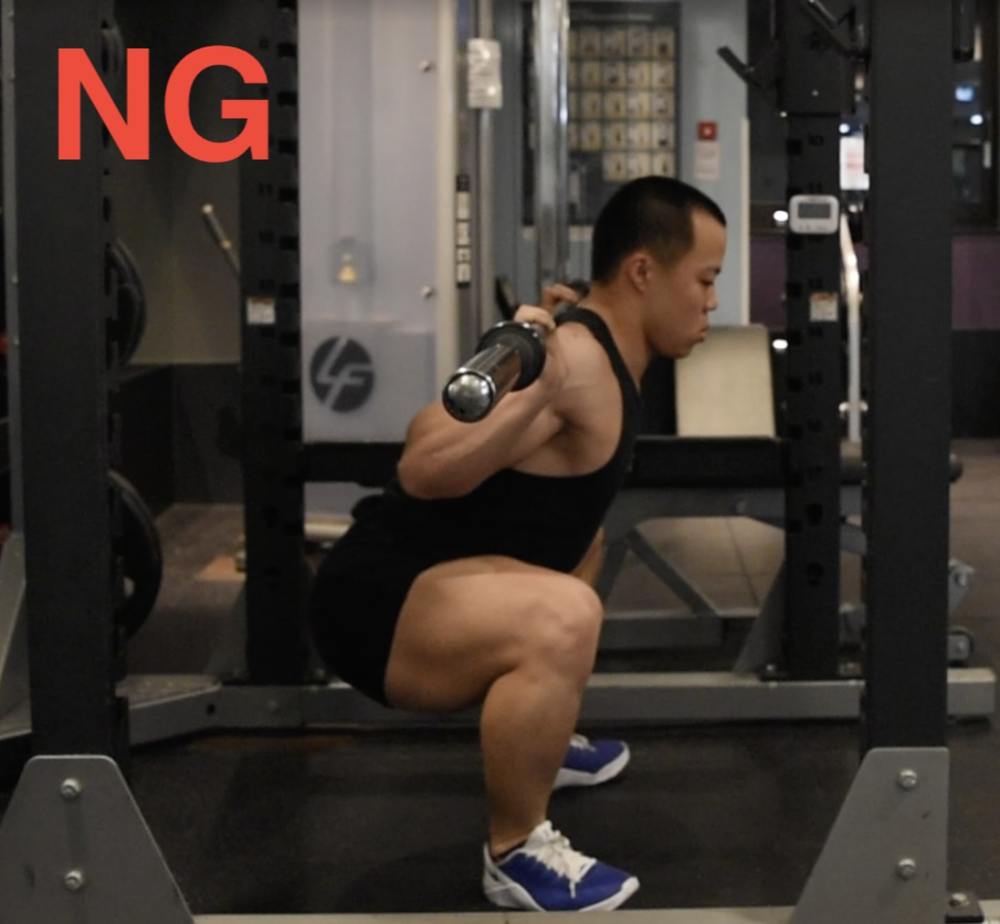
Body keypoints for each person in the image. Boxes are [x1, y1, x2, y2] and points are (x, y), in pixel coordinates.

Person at [308, 175, 727, 912]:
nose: (712, 301)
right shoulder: (575, 359)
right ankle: (515, 850)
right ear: (643, 271)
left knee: (586, 539)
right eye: (705, 278)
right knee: (565, 615)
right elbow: (422, 466)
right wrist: (534, 389)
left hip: (430, 586)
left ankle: (539, 740)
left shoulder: (602, 354)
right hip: (374, 607)